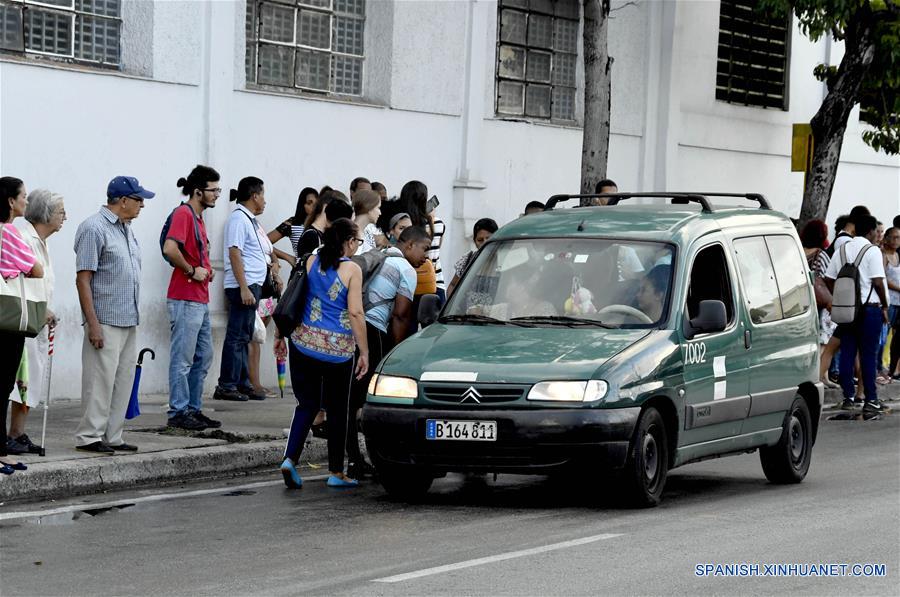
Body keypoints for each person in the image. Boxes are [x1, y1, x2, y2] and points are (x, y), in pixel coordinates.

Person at [277, 218, 369, 489]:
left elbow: (293, 298)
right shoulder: (352, 269)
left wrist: (279, 335)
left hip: (302, 343)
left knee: (307, 404)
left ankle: (289, 459)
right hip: (337, 352)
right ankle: (336, 472)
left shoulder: (309, 261)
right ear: (350, 242)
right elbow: (355, 312)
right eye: (358, 241)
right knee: (338, 410)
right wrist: (363, 351)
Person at [345, 225, 431, 478]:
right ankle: (360, 460)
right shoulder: (406, 269)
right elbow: (401, 315)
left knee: (349, 400)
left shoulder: (378, 256)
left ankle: (349, 459)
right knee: (369, 399)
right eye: (424, 249)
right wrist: (396, 355)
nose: (426, 256)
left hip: (350, 328)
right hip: (373, 331)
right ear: (408, 245)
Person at [73, 176, 151, 453]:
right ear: (123, 201)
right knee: (99, 380)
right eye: (139, 199)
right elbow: (83, 279)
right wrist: (92, 324)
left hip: (128, 317)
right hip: (104, 318)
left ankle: (113, 435)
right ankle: (89, 436)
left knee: (122, 380)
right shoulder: (94, 228)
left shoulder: (127, 229)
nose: (142, 204)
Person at [162, 166, 222, 430]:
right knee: (183, 358)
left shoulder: (198, 218)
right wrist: (191, 270)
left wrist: (204, 272)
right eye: (213, 190)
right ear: (198, 191)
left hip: (199, 298)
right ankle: (178, 411)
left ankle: (193, 408)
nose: (217, 195)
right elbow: (170, 248)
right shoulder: (184, 214)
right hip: (185, 298)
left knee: (203, 356)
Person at [6, 189, 65, 456]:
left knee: (31, 380)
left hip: (37, 322)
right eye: (61, 212)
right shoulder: (24, 238)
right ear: (47, 213)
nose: (65, 217)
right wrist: (43, 311)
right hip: (25, 319)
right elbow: (23, 280)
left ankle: (17, 433)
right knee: (21, 381)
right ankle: (13, 434)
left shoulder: (42, 241)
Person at [214, 176, 274, 402]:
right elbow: (234, 252)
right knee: (237, 336)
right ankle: (227, 384)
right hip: (244, 286)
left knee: (245, 335)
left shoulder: (250, 220)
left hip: (252, 285)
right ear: (254, 196)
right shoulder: (239, 219)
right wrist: (244, 288)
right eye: (263, 195)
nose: (265, 201)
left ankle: (242, 382)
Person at [824, 214, 889, 414]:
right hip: (870, 309)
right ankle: (871, 399)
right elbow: (878, 282)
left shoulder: (842, 249)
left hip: (847, 309)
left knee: (848, 351)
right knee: (869, 354)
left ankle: (849, 397)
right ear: (870, 231)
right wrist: (885, 306)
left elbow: (828, 278)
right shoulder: (872, 251)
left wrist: (840, 296)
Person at [1, 177, 44, 474]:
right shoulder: (9, 234)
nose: (26, 202)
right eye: (23, 196)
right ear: (10, 202)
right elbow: (36, 269)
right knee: (3, 386)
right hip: (7, 322)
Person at [801, 219, 839, 388]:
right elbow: (824, 279)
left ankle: (820, 375)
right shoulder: (821, 255)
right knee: (822, 340)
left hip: (801, 300)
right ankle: (820, 376)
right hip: (820, 303)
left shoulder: (798, 251)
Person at [447, 218, 498, 297]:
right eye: (480, 240)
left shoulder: (504, 262)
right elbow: (453, 285)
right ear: (474, 241)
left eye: (489, 238)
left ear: (497, 238)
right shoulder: (467, 261)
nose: (485, 243)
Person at [271, 187, 318, 258]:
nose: (314, 206)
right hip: (302, 268)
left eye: (316, 203)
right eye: (309, 203)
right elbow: (263, 242)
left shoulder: (322, 224)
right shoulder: (292, 223)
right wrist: (288, 257)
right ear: (302, 205)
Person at [880, 227, 900, 381]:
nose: (896, 241)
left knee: (897, 338)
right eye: (893, 237)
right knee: (883, 336)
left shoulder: (897, 256)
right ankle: (879, 368)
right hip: (890, 301)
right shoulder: (883, 255)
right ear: (886, 238)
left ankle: (892, 370)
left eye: (898, 237)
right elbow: (883, 278)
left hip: (899, 302)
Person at [352, 189, 382, 255]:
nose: (380, 213)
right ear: (369, 207)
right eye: (378, 207)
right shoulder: (352, 233)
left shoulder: (367, 233)